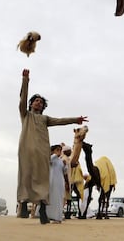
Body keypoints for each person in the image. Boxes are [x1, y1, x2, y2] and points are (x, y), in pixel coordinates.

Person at [17, 68, 88, 224]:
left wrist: (75, 119)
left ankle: (43, 207)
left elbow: (60, 120)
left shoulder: (45, 118)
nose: (39, 103)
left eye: (41, 102)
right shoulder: (26, 115)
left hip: (42, 151)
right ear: (31, 104)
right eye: (36, 101)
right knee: (26, 174)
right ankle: (23, 202)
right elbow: (22, 100)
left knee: (42, 179)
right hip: (26, 150)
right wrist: (25, 80)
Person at [46, 144, 67, 223]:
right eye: (57, 150)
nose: (59, 152)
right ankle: (48, 216)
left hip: (59, 182)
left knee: (58, 200)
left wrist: (65, 166)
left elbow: (64, 172)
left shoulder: (60, 161)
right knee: (50, 199)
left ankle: (58, 218)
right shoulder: (51, 158)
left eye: (60, 150)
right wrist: (55, 155)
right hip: (52, 181)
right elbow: (49, 161)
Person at [60, 143, 73, 219]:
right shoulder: (64, 159)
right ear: (66, 151)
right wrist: (66, 183)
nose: (71, 152)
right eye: (69, 151)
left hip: (66, 181)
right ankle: (59, 215)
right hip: (64, 181)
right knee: (62, 198)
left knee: (64, 199)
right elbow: (64, 172)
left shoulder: (66, 159)